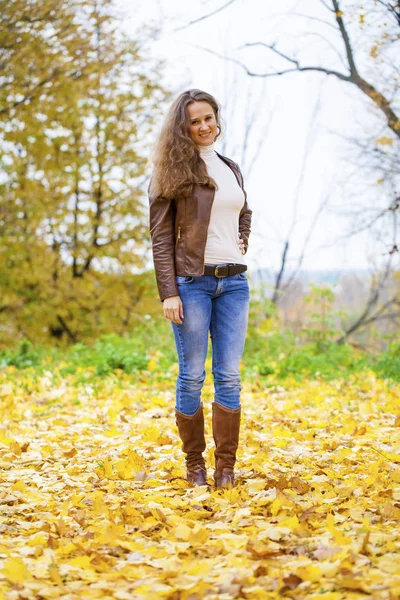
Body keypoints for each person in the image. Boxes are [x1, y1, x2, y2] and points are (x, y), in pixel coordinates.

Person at [148, 89, 252, 488]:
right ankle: (195, 466)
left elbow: (243, 209)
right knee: (192, 374)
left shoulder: (230, 167)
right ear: (183, 127)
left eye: (209, 117)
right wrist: (168, 291)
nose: (204, 126)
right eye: (195, 121)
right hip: (191, 284)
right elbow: (159, 237)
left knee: (229, 375)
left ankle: (225, 469)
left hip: (235, 283)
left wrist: (241, 240)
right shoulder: (170, 171)